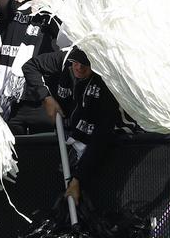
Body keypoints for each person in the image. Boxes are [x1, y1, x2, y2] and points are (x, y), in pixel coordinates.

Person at [23, 47, 120, 205]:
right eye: (76, 62)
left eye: (86, 64)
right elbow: (31, 66)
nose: (79, 68)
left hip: (103, 142)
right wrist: (46, 97)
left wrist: (78, 178)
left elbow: (101, 137)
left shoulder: (107, 82)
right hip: (68, 134)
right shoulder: (64, 59)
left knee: (92, 199)